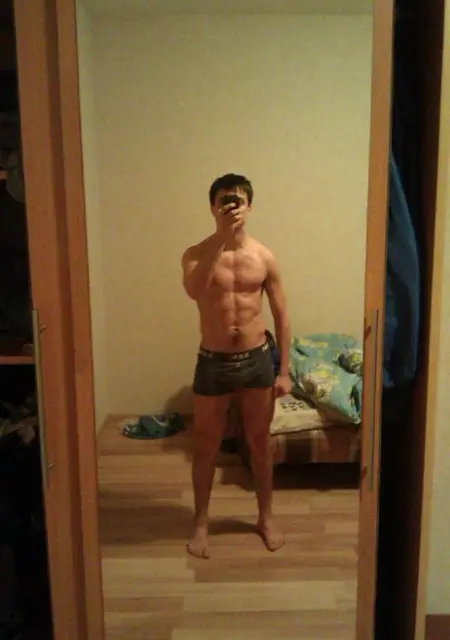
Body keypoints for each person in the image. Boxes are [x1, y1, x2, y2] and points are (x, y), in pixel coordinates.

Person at [181, 173, 291, 559]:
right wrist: (220, 239)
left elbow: (282, 315)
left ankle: (266, 517)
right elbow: (195, 290)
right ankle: (200, 523)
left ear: (250, 207)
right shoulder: (196, 254)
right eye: (224, 201)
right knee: (206, 446)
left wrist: (284, 371)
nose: (231, 207)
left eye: (238, 201)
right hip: (213, 363)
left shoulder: (263, 256)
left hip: (256, 360)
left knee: (259, 444)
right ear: (213, 207)